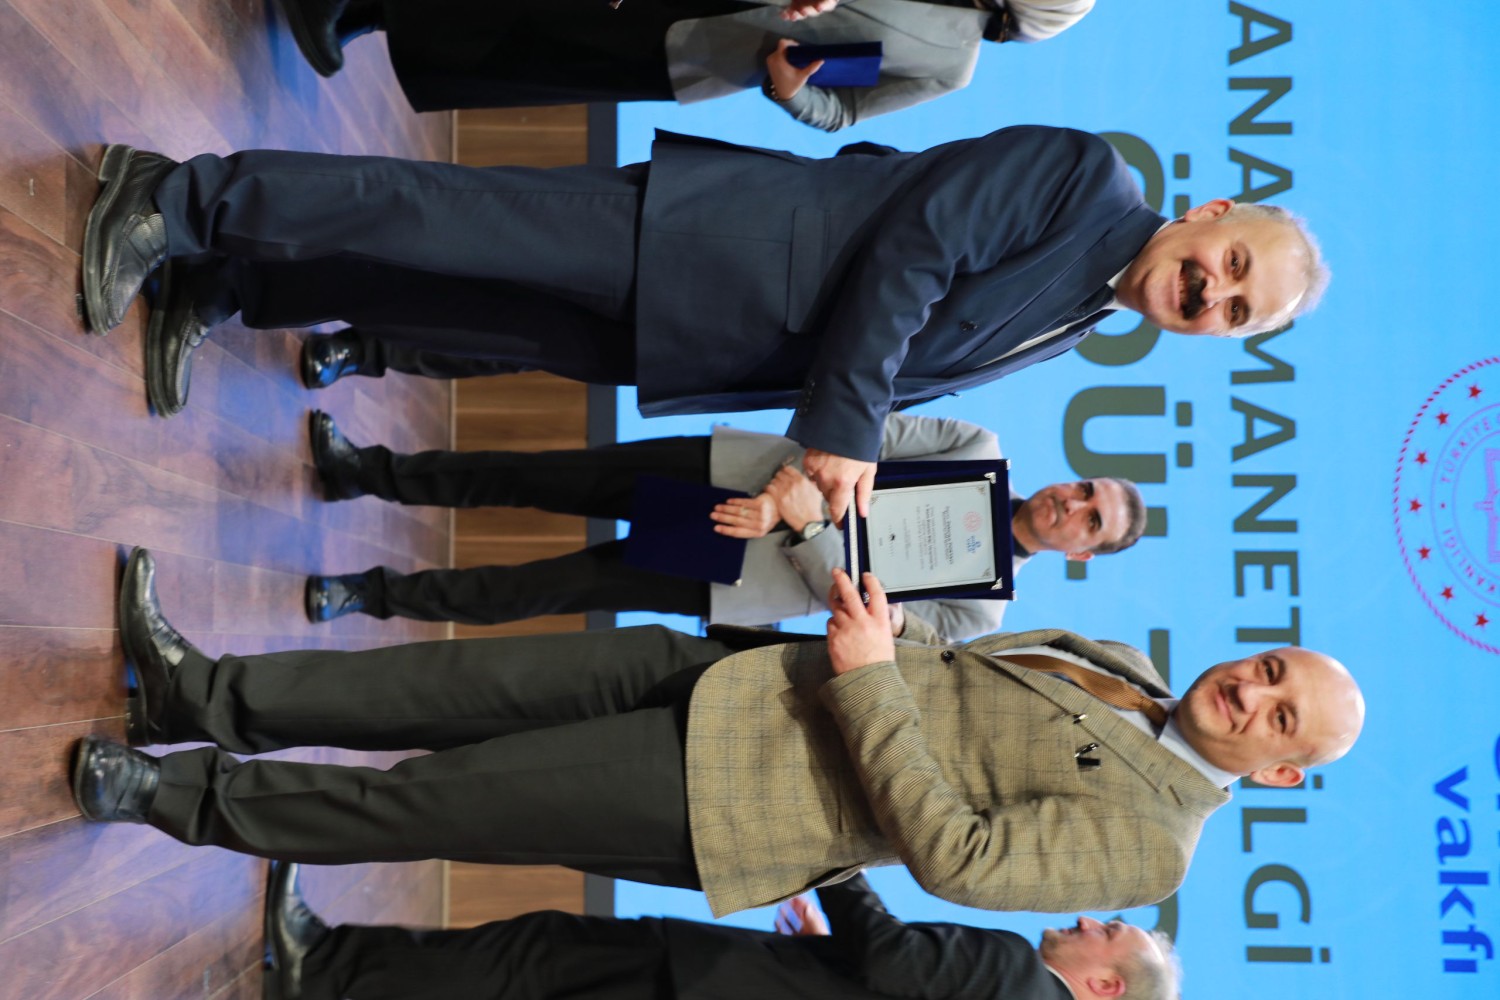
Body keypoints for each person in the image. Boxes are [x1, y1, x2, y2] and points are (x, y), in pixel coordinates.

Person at [79, 124, 1328, 523]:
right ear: (1210, 212)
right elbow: (917, 244)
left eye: (1235, 313)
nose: (1211, 294)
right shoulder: (1091, 181)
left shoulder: (1082, 325)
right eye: (1229, 266)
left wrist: (816, 457)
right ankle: (177, 197)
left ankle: (231, 284)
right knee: (436, 215)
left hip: (704, 340)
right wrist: (846, 427)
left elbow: (902, 355)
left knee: (452, 303)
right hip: (706, 239)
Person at [73, 546, 1364, 918]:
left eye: (1278, 716)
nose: (1249, 693)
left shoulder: (1156, 849)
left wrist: (872, 680)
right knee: (450, 685)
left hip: (734, 794)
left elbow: (961, 860)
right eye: (1269, 668)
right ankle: (199, 695)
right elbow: (956, 689)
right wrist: (882, 627)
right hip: (736, 672)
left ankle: (173, 798)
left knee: (425, 799)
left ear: (1280, 768)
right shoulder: (1132, 667)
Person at [303, 409, 1147, 643]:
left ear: (1084, 553)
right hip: (736, 477)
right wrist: (788, 491)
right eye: (1084, 488)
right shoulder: (977, 448)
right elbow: (865, 431)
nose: (1072, 505)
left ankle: (368, 595)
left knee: (544, 588)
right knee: (538, 476)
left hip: (744, 573)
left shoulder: (979, 612)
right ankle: (366, 471)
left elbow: (870, 621)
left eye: (1091, 520)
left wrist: (801, 526)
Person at [262, 860, 1179, 1000]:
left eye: (1110, 931)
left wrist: (837, 865)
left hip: (704, 981)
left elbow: (894, 956)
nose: (1087, 918)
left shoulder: (1019, 977)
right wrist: (823, 942)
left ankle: (323, 965)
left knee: (527, 960)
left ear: (1104, 986)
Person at [276, 0, 1095, 132]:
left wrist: (790, 91)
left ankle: (367, 18)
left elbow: (842, 112)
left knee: (537, 42)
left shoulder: (953, 65)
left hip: (699, 52)